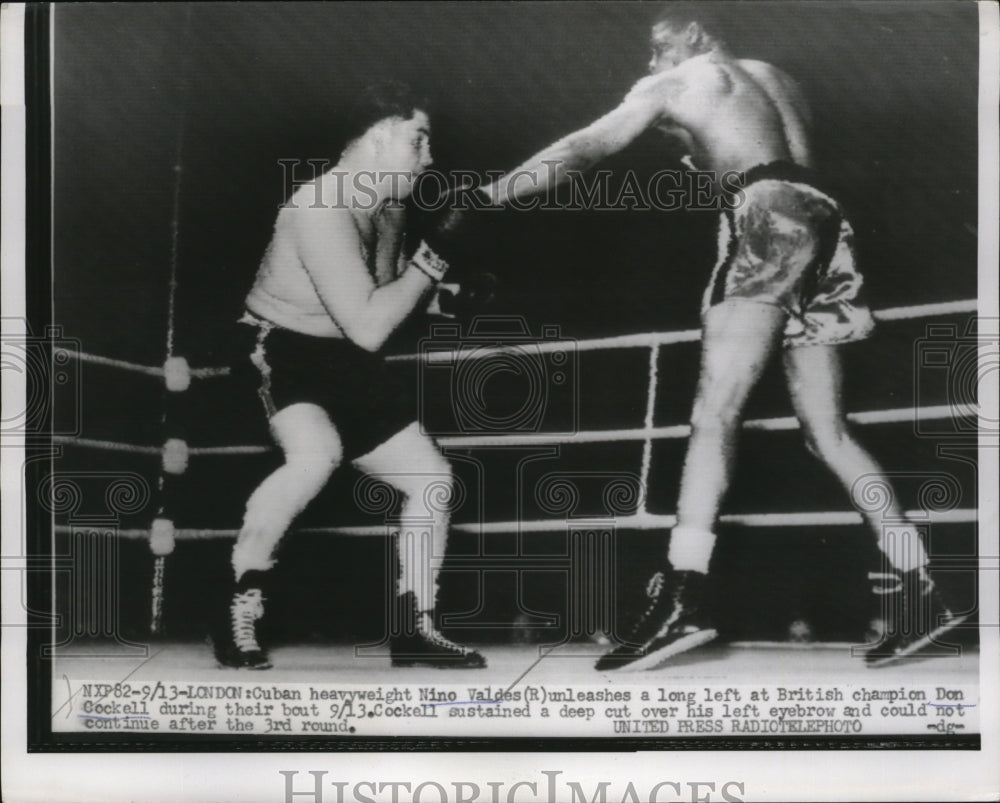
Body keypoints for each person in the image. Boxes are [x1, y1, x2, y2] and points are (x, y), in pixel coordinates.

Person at [474, 8, 965, 670]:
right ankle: (921, 587)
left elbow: (584, 148)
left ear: (696, 31)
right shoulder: (775, 78)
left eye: (657, 47)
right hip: (825, 224)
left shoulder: (677, 81)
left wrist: (491, 195)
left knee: (713, 413)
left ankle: (685, 594)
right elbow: (772, 154)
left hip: (767, 220)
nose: (651, 64)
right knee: (829, 432)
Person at [215, 83, 486, 670]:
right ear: (381, 135)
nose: (429, 157)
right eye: (419, 139)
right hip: (279, 348)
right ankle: (240, 601)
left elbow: (381, 311)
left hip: (345, 358)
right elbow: (368, 325)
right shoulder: (318, 207)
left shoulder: (389, 208)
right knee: (315, 455)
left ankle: (416, 625)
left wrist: (444, 298)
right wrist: (435, 257)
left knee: (432, 480)